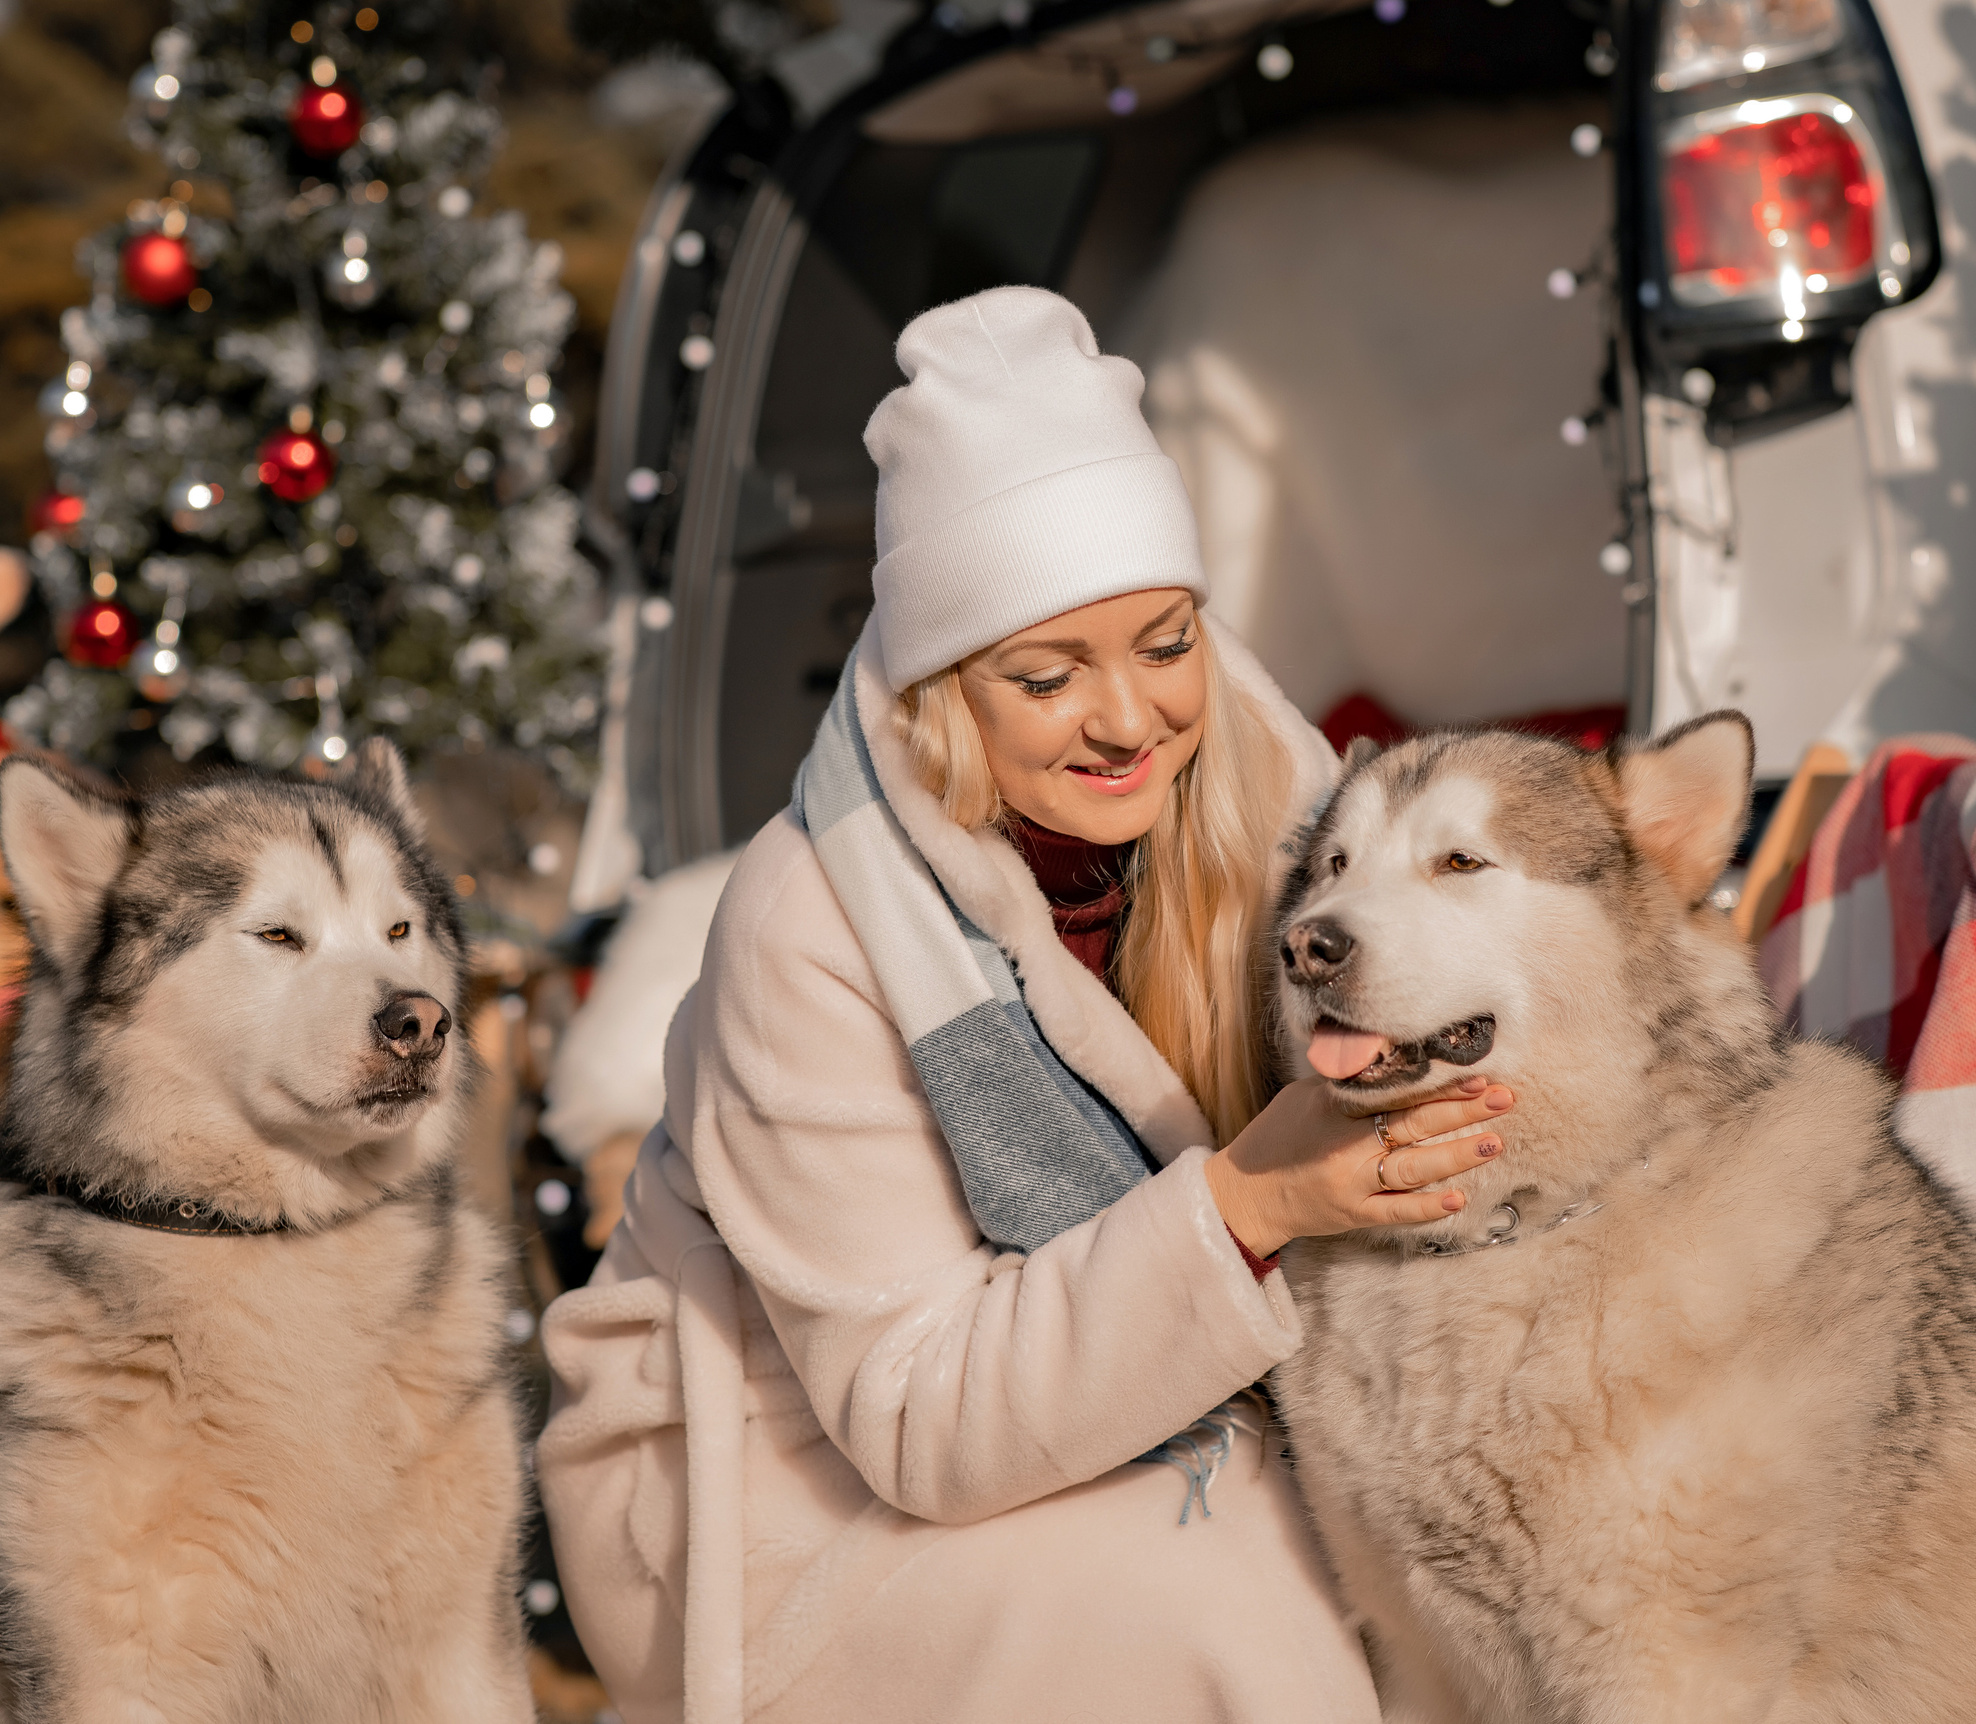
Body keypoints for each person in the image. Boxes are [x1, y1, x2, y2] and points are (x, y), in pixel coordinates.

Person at [538, 286, 1512, 1723]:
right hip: (780, 1450)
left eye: (1167, 645)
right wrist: (1249, 1206)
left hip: (1133, 1367)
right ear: (942, 686)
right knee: (1224, 1600)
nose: (1131, 722)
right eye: (1049, 677)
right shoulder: (814, 918)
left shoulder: (1264, 783)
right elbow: (918, 1419)